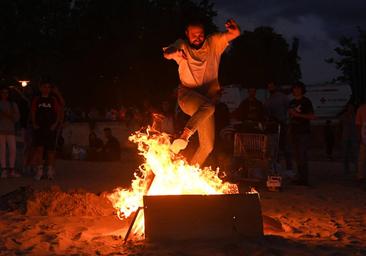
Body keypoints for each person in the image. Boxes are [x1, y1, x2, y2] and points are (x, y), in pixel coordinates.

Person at [164, 19, 240, 166]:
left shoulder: (213, 43)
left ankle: (189, 175)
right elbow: (167, 54)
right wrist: (174, 51)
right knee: (209, 107)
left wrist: (234, 30)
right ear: (187, 34)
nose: (198, 37)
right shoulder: (183, 45)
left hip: (207, 100)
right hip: (188, 96)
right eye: (194, 35)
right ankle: (184, 137)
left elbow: (234, 34)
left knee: (208, 146)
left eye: (201, 34)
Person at [30, 81, 62, 180]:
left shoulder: (53, 100)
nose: (46, 89)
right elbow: (33, 112)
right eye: (44, 87)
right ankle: (39, 172)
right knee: (39, 149)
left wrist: (55, 124)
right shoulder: (37, 99)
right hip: (39, 127)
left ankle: (49, 172)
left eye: (48, 87)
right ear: (40, 88)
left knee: (51, 151)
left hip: (50, 128)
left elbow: (58, 113)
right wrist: (34, 123)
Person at [288, 82, 315, 186]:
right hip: (294, 131)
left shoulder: (306, 101)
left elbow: (312, 116)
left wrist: (298, 115)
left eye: (298, 89)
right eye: (294, 89)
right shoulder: (292, 102)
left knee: (303, 155)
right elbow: (290, 116)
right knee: (297, 156)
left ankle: (305, 179)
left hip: (303, 132)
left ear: (301, 90)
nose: (296, 90)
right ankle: (299, 177)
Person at [264, 82, 292, 172]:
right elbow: (267, 114)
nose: (270, 88)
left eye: (272, 86)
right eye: (269, 87)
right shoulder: (268, 99)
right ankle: (276, 168)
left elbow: (289, 109)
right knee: (275, 149)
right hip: (273, 127)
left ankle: (289, 169)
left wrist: (287, 121)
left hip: (282, 125)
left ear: (275, 87)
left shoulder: (282, 97)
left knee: (286, 147)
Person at [0, 86, 20, 178]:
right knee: (2, 150)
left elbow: (17, 118)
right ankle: (4, 169)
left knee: (13, 150)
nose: (5, 94)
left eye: (6, 93)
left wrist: (8, 115)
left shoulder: (13, 104)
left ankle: (11, 169)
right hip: (1, 130)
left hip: (10, 130)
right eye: (3, 92)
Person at [339, 103, 358, 174]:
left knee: (356, 154)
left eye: (352, 107)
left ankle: (357, 168)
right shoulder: (344, 116)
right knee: (345, 154)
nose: (351, 109)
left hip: (354, 137)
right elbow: (339, 126)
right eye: (350, 107)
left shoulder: (356, 116)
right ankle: (346, 169)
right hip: (345, 137)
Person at [356, 102, 366, 182]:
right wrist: (359, 136)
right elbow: (358, 124)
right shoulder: (361, 109)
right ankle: (360, 176)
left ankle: (360, 175)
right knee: (362, 158)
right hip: (364, 137)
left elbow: (358, 124)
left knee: (362, 158)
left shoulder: (361, 109)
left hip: (363, 136)